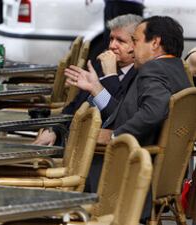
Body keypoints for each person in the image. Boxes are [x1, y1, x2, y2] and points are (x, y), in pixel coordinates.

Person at [65, 16, 191, 195]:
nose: (133, 49)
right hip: (166, 173)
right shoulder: (177, 69)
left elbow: (154, 111)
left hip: (135, 172)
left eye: (136, 41)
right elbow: (131, 111)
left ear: (155, 43)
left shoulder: (153, 70)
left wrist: (116, 135)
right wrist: (96, 88)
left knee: (75, 154)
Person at [34, 14, 142, 146]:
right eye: (111, 39)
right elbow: (74, 106)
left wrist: (111, 76)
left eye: (120, 41)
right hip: (66, 139)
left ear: (136, 45)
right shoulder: (100, 64)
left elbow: (116, 117)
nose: (112, 46)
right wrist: (53, 129)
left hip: (93, 149)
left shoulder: (139, 75)